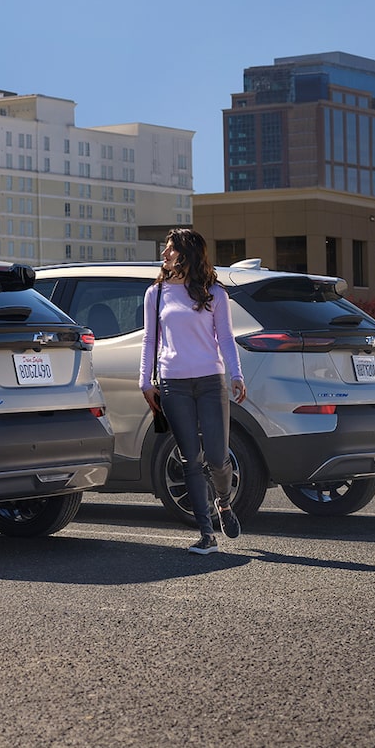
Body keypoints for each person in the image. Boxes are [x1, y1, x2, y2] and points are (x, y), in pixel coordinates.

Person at [139, 228, 247, 555]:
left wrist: (237, 374)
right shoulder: (155, 294)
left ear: (185, 253)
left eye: (169, 250)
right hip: (173, 384)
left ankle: (224, 503)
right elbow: (149, 340)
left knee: (217, 456)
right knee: (190, 458)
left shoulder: (214, 293)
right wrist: (145, 381)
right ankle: (206, 534)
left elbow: (226, 338)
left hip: (211, 381)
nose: (164, 255)